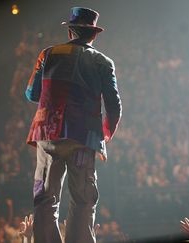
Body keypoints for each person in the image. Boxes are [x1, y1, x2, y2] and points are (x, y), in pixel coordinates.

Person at [25, 7, 122, 243]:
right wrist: (106, 132)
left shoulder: (47, 54)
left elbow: (31, 93)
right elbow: (113, 104)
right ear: (93, 35)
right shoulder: (103, 62)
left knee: (45, 199)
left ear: (70, 31)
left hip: (48, 135)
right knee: (83, 199)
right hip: (83, 137)